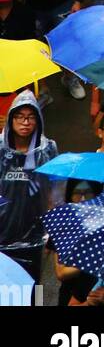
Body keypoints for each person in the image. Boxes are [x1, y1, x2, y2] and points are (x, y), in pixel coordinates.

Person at [0, 89, 58, 282]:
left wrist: (52, 232)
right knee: (5, 291)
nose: (25, 123)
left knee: (34, 289)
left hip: (34, 237)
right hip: (2, 234)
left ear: (38, 120)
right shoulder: (0, 150)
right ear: (11, 119)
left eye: (31, 117)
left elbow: (53, 193)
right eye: (20, 117)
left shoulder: (48, 149)